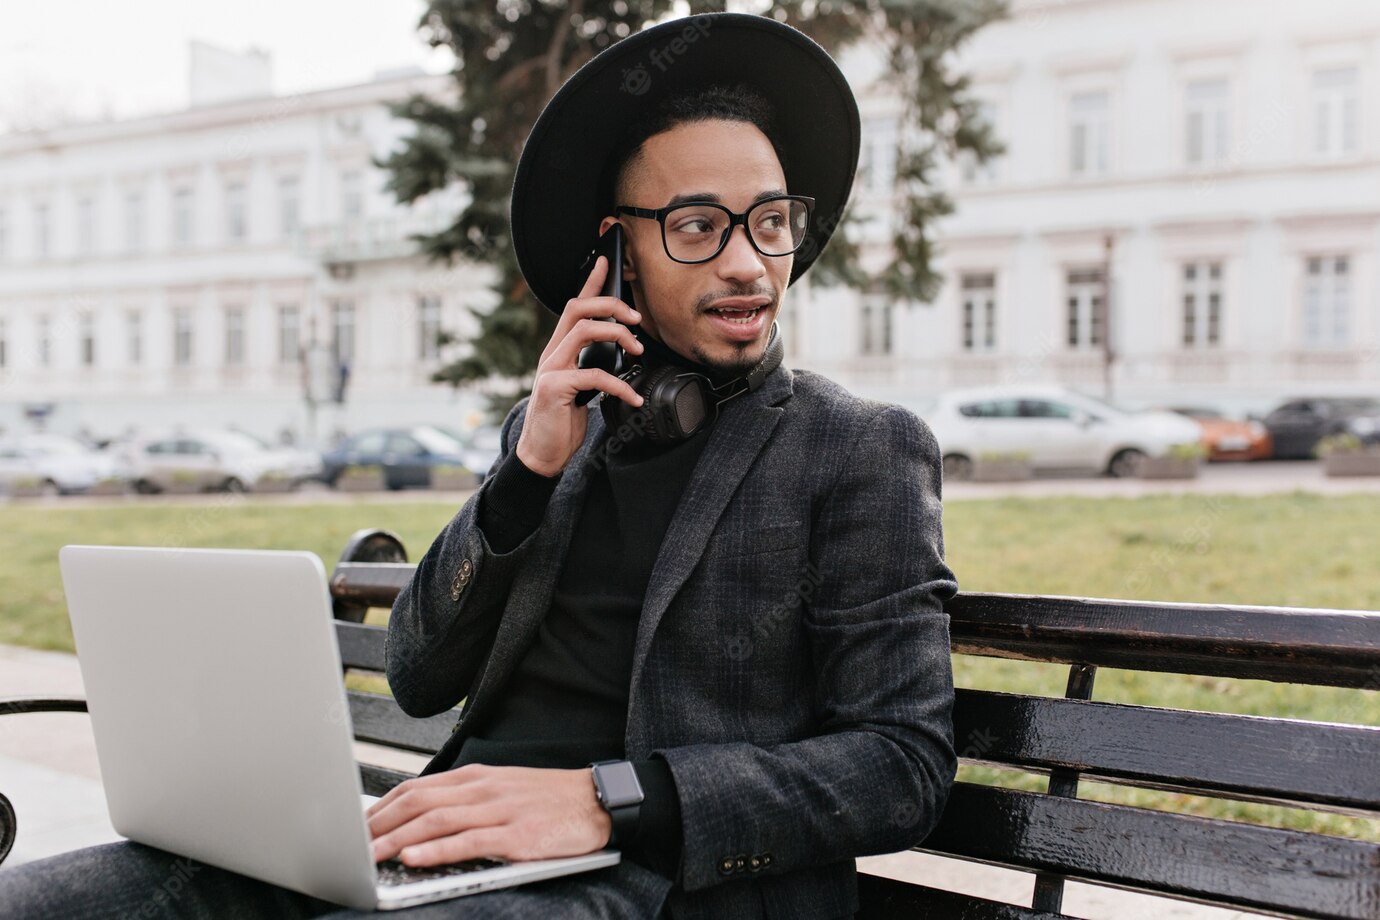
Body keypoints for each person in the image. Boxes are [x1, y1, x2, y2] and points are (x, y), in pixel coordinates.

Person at [0, 12, 956, 919]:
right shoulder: (553, 434)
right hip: (429, 846)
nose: (750, 265)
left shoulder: (857, 449)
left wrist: (608, 800)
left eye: (772, 220)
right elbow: (419, 677)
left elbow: (902, 763)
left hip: (642, 880)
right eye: (699, 227)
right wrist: (527, 476)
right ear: (616, 254)